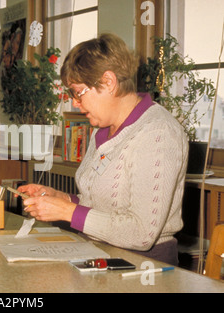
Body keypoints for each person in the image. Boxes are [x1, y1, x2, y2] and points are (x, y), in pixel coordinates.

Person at [18, 33, 188, 265]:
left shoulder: (158, 132)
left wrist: (66, 212)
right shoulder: (102, 130)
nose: (74, 103)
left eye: (78, 92)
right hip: (96, 255)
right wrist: (61, 199)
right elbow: (103, 207)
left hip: (143, 267)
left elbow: (142, 234)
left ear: (108, 82)